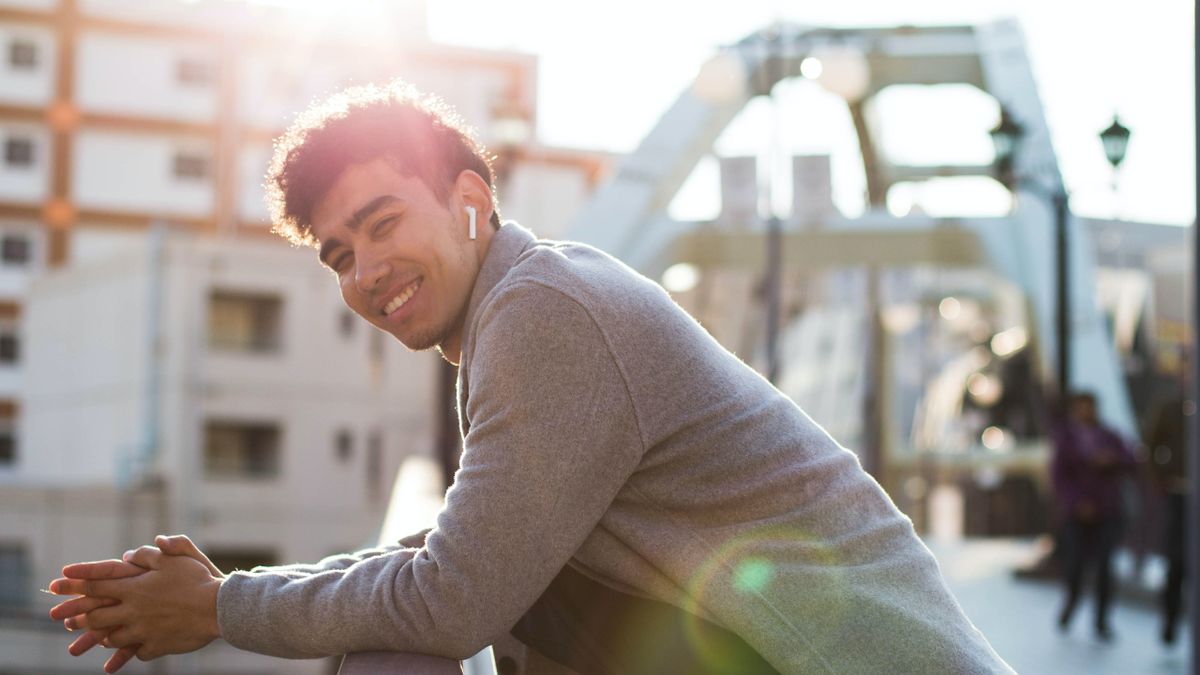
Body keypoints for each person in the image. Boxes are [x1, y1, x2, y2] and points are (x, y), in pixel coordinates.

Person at [47, 81, 1012, 674]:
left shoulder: (545, 315)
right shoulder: (530, 302)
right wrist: (227, 587)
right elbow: (466, 550)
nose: (365, 271)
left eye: (383, 223)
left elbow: (451, 598)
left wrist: (220, 608)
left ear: (469, 200)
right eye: (338, 255)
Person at [1051, 391, 1137, 641]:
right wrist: (1076, 502)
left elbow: (1132, 460)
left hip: (1107, 510)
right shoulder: (1067, 439)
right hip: (1077, 513)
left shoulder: (1110, 436)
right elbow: (1059, 477)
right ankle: (1071, 602)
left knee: (1104, 566)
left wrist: (1113, 460)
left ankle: (1101, 621)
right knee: (1075, 563)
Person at [1146, 366, 1191, 646]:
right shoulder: (1171, 407)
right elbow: (1151, 443)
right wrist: (1161, 477)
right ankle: (1170, 621)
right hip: (1180, 492)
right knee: (1177, 561)